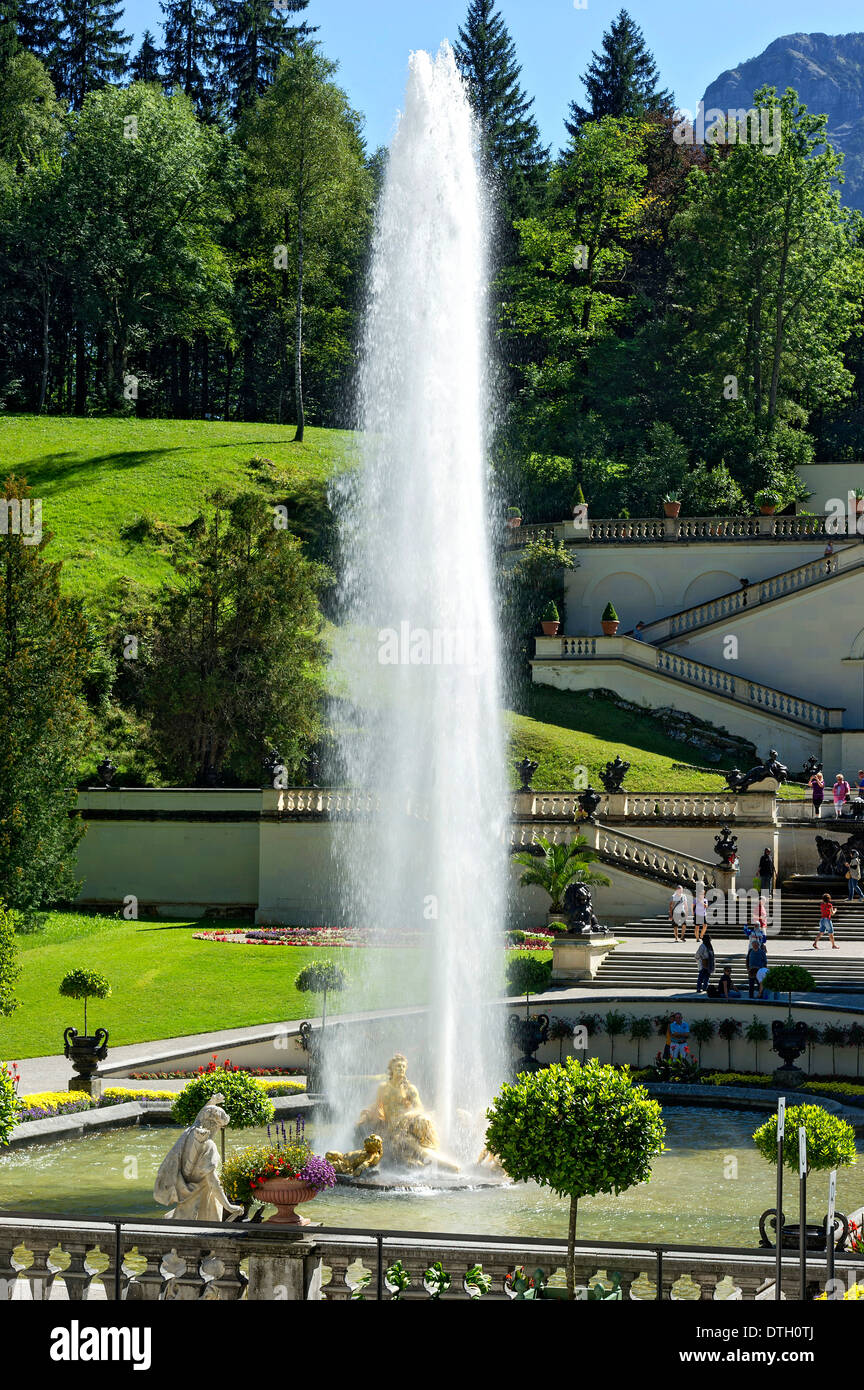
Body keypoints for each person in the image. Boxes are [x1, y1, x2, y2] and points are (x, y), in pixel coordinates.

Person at [747, 933, 768, 998]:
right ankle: (751, 996)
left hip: (759, 971)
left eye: (756, 945)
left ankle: (760, 995)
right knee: (751, 985)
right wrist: (747, 968)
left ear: (758, 945)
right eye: (753, 945)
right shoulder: (750, 951)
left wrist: (763, 970)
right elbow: (747, 960)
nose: (754, 946)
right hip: (751, 971)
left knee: (760, 984)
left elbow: (765, 961)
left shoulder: (761, 952)